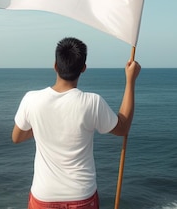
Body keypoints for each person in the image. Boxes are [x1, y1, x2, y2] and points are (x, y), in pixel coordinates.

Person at [12, 37, 141, 209]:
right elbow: (123, 128)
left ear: (55, 66)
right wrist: (130, 81)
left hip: (44, 195)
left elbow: (17, 137)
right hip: (81, 196)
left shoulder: (31, 99)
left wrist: (44, 126)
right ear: (83, 68)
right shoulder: (92, 102)